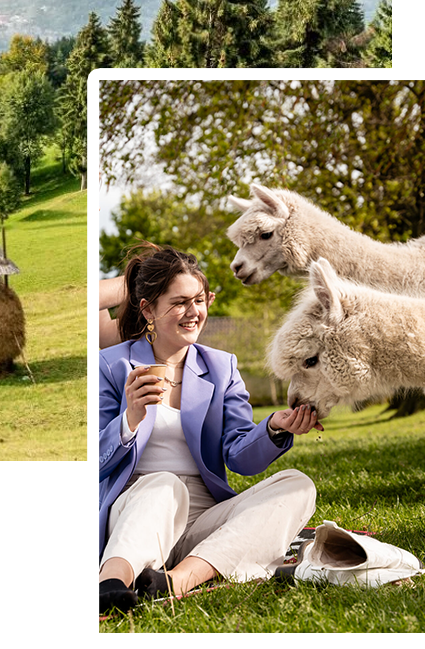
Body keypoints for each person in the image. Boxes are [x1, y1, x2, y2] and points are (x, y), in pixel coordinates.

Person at [98, 243, 321, 614]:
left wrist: (274, 428)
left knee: (298, 484)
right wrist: (129, 419)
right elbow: (96, 461)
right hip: (139, 510)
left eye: (200, 300)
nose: (194, 312)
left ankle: (174, 581)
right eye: (180, 302)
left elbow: (238, 455)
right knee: (164, 483)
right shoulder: (113, 365)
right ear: (148, 309)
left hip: (204, 519)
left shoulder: (221, 367)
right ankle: (110, 583)